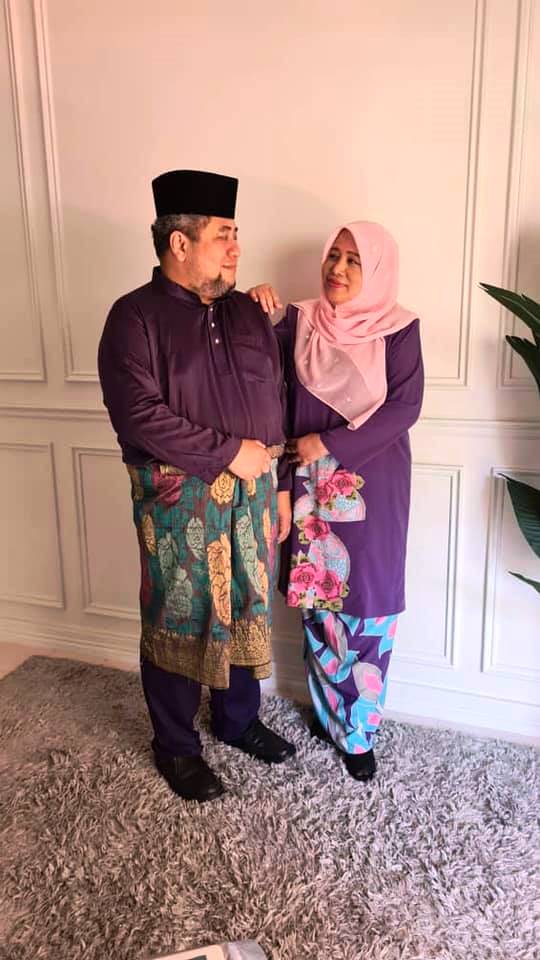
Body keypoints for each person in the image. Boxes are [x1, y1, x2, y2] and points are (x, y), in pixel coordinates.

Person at [98, 169, 295, 804]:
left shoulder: (249, 312)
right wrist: (228, 452)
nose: (237, 248)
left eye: (237, 234)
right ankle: (177, 746)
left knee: (245, 605)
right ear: (179, 243)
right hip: (177, 502)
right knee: (180, 612)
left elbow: (277, 400)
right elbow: (139, 415)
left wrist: (280, 485)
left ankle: (238, 721)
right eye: (223, 235)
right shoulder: (133, 316)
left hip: (254, 497)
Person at [249, 221, 424, 781]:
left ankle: (359, 731)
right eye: (334, 256)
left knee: (369, 606)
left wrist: (327, 443)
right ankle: (330, 715)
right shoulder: (297, 321)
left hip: (372, 486)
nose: (338, 269)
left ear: (377, 270)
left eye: (354, 260)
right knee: (317, 599)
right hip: (305, 484)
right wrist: (257, 309)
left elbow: (404, 408)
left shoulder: (399, 329)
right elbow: (269, 395)